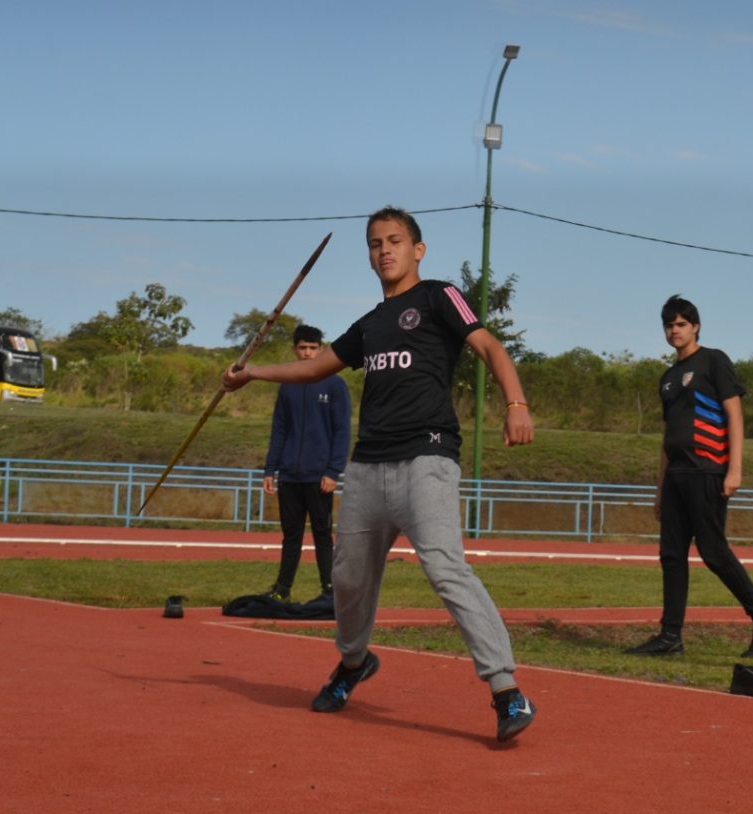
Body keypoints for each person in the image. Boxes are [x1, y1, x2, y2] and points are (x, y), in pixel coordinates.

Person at [223, 206, 538, 741]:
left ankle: (507, 691)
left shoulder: (439, 297)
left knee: (445, 569)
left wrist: (515, 401)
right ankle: (353, 664)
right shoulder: (369, 324)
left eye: (394, 240)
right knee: (347, 579)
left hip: (427, 458)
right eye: (374, 243)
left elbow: (486, 344)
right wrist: (251, 372)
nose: (384, 250)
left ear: (418, 249)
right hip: (367, 466)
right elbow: (317, 365)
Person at [625, 295, 753, 658]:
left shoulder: (714, 360)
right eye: (668, 325)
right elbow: (667, 439)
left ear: (695, 326)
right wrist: (659, 489)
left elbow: (735, 416)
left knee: (713, 552)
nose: (674, 330)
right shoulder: (667, 378)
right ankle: (670, 637)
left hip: (709, 471)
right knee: (671, 555)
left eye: (680, 324)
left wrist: (735, 470)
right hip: (677, 477)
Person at [263, 324, 351, 602]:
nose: (308, 353)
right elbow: (279, 429)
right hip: (289, 474)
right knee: (291, 536)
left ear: (321, 350)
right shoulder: (287, 384)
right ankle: (282, 588)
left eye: (313, 348)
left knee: (323, 534)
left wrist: (333, 470)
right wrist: (270, 469)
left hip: (319, 476)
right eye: (302, 348)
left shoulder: (335, 384)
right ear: (294, 350)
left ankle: (329, 588)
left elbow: (342, 431)